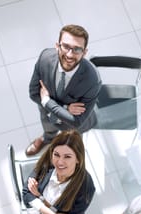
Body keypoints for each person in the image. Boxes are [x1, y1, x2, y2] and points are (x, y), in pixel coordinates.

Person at [26, 24, 102, 156]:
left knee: (74, 142)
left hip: (74, 126)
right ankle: (47, 139)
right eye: (66, 46)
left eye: (77, 49)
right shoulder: (45, 57)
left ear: (84, 52)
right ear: (57, 46)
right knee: (48, 129)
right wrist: (66, 108)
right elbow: (33, 93)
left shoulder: (93, 80)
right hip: (48, 114)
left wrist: (48, 101)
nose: (69, 54)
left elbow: (77, 121)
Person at [22, 129, 95, 214]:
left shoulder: (86, 187)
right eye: (56, 154)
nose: (59, 162)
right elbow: (26, 194)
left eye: (67, 157)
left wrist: (39, 198)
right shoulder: (48, 163)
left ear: (78, 159)